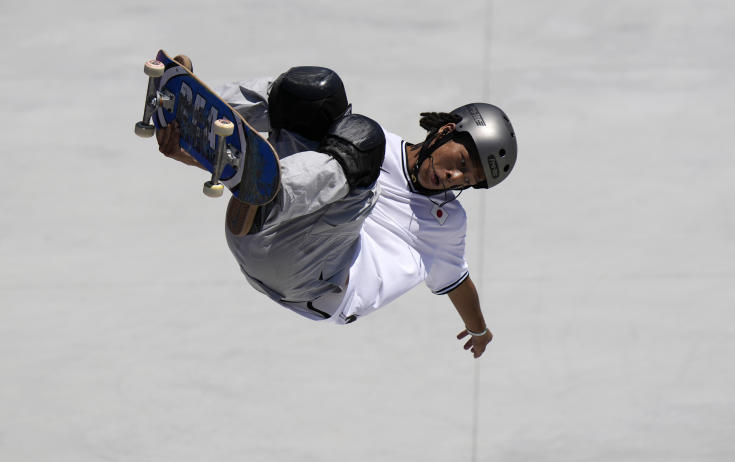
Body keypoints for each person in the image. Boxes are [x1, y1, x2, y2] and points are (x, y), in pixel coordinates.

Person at [156, 56, 517, 358]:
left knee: (360, 141)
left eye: (467, 180)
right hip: (263, 233)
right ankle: (192, 116)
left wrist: (479, 329)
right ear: (446, 131)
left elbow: (458, 282)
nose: (455, 177)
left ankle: (272, 192)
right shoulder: (372, 147)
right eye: (461, 161)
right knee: (316, 93)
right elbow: (254, 162)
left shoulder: (447, 223)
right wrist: (186, 152)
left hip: (317, 283)